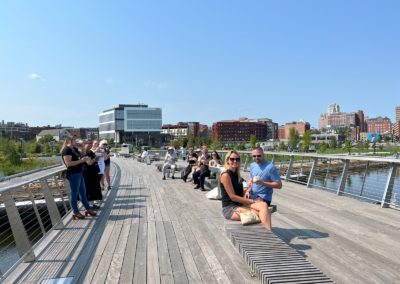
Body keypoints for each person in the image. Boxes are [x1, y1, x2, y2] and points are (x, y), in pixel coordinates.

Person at [220, 150, 272, 231]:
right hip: (230, 208)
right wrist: (252, 201)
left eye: (237, 159)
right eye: (232, 159)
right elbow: (233, 197)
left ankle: (268, 232)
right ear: (227, 160)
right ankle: (268, 233)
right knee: (262, 213)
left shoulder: (237, 176)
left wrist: (247, 189)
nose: (235, 161)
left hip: (240, 204)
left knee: (264, 205)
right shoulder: (225, 175)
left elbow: (243, 193)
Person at [61, 137, 97, 220]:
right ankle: (75, 212)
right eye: (74, 141)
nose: (75, 142)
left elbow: (83, 154)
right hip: (73, 174)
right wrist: (82, 161)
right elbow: (68, 164)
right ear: (69, 141)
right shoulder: (66, 150)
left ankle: (88, 209)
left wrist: (83, 145)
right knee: (74, 193)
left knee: (83, 192)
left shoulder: (74, 149)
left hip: (79, 173)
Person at [249, 147, 282, 228]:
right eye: (254, 156)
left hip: (264, 197)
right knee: (238, 204)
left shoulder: (270, 167)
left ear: (263, 155)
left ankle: (266, 230)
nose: (256, 158)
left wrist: (262, 183)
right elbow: (251, 180)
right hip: (252, 194)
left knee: (252, 211)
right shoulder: (252, 165)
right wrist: (248, 189)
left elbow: (279, 185)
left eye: (259, 155)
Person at [81, 140, 102, 209]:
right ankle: (89, 205)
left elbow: (96, 159)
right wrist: (95, 158)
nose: (90, 145)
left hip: (92, 172)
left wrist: (96, 157)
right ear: (84, 145)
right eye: (88, 144)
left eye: (91, 143)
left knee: (93, 188)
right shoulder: (84, 152)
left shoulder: (89, 151)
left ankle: (92, 204)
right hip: (88, 173)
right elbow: (89, 163)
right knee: (89, 188)